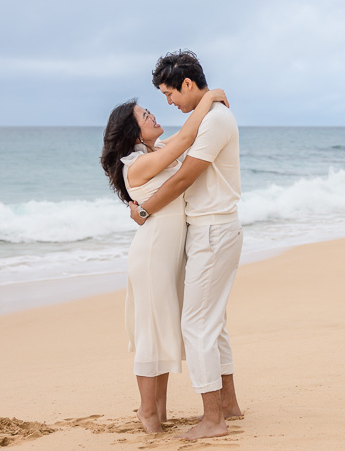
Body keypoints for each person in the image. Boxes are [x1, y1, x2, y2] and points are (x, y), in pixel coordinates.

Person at [128, 50, 243, 441]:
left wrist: (144, 211)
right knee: (214, 323)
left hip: (212, 230)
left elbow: (183, 179)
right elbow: (178, 145)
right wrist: (211, 97)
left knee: (196, 325)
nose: (168, 103)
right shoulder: (211, 116)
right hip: (212, 229)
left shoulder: (215, 121)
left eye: (169, 94)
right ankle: (228, 404)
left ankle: (213, 419)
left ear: (187, 85)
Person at [99, 88, 228, 434]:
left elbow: (185, 135)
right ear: (133, 132)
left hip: (167, 253)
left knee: (161, 329)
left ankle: (160, 408)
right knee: (150, 332)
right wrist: (211, 96)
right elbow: (188, 136)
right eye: (145, 116)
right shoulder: (137, 163)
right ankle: (147, 411)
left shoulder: (155, 151)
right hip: (153, 253)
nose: (153, 116)